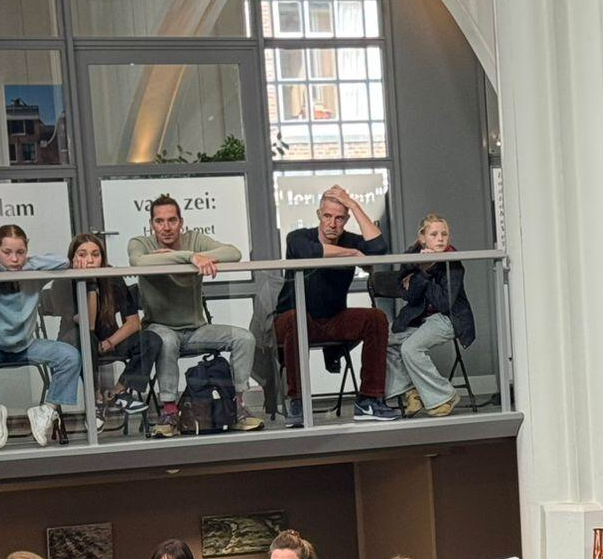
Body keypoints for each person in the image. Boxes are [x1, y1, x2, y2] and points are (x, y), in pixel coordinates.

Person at [126, 195, 263, 437]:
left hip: (196, 330)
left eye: (172, 220)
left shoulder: (194, 239)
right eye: (159, 221)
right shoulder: (141, 243)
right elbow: (138, 261)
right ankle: (169, 413)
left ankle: (237, 407)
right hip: (159, 328)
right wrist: (190, 257)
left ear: (181, 222)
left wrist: (190, 252)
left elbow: (233, 252)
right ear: (151, 224)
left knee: (244, 338)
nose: (166, 227)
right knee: (166, 341)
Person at [272, 184, 399, 424]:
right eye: (327, 216)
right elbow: (308, 252)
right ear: (319, 215)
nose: (332, 223)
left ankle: (369, 400)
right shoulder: (298, 237)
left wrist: (353, 205)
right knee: (295, 319)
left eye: (339, 218)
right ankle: (297, 401)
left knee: (375, 318)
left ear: (346, 220)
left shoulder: (350, 239)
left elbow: (378, 247)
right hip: (293, 320)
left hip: (332, 319)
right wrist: (351, 254)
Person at [0, 223, 81, 449]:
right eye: (7, 252)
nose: (14, 259)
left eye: (20, 252)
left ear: (27, 250)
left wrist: (28, 264)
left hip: (26, 345)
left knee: (70, 356)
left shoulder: (32, 272)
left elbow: (62, 262)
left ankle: (46, 411)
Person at [46, 233, 152, 422]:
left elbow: (133, 322)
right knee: (86, 338)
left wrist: (110, 342)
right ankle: (95, 399)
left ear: (102, 258)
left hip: (109, 341)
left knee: (152, 339)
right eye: (82, 255)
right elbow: (89, 324)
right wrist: (90, 285)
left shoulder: (111, 277)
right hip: (76, 342)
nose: (89, 260)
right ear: (72, 258)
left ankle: (118, 393)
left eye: (95, 255)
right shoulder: (62, 281)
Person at [386, 212, 475, 418]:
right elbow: (408, 295)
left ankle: (445, 396)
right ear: (422, 238)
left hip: (450, 317)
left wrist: (425, 273)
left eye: (444, 234)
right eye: (434, 234)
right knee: (386, 338)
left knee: (410, 348)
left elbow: (444, 302)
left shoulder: (453, 263)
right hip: (419, 316)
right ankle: (412, 391)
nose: (440, 239)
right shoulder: (411, 258)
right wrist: (422, 271)